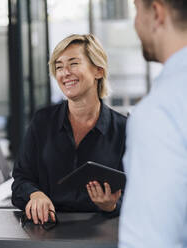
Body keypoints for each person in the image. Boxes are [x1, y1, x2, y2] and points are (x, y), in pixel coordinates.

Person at [11, 34, 127, 225]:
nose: (65, 73)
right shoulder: (42, 122)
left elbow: (138, 193)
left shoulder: (124, 129)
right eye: (58, 67)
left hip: (105, 234)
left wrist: (112, 206)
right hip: (46, 232)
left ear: (98, 70)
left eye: (73, 64)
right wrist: (35, 194)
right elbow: (21, 180)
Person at [119, 0, 187, 247]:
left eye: (136, 10)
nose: (135, 23)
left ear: (157, 13)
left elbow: (149, 241)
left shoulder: (160, 111)